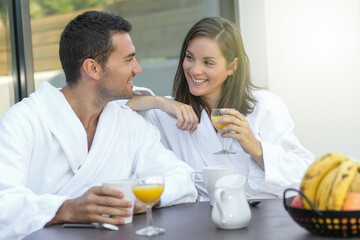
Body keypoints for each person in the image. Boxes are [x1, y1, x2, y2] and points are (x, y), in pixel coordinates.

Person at [0, 11, 197, 239]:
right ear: (93, 68)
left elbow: (183, 179)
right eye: (128, 59)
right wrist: (66, 209)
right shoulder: (23, 121)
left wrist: (139, 199)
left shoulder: (128, 121)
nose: (137, 68)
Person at [126, 17, 315, 200]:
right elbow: (114, 103)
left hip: (265, 219)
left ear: (232, 66)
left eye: (208, 62)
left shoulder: (264, 106)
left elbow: (307, 175)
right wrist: (159, 102)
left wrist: (256, 148)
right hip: (200, 222)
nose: (195, 70)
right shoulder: (169, 114)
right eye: (189, 57)